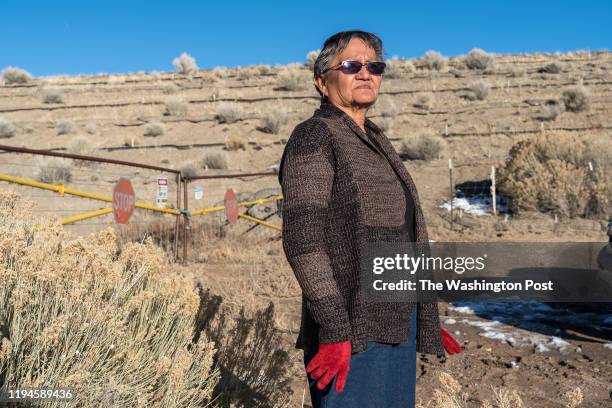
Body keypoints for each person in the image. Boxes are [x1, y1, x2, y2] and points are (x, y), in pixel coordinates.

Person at [278, 30, 461, 407]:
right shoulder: (314, 135)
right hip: (350, 331)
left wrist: (423, 315)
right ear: (321, 81)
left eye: (374, 66)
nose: (366, 73)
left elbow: (402, 238)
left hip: (395, 323)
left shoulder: (375, 140)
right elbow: (303, 241)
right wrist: (333, 329)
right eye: (350, 65)